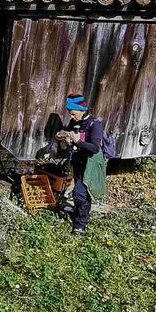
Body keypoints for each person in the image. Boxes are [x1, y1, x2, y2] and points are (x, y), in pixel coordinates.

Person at [56, 93, 109, 235]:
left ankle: (80, 225)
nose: (72, 117)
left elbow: (95, 147)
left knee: (81, 193)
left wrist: (78, 141)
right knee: (79, 191)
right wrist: (64, 137)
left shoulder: (94, 124)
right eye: (70, 114)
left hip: (90, 164)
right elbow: (70, 135)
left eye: (73, 113)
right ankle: (78, 212)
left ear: (82, 110)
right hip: (78, 160)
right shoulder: (75, 122)